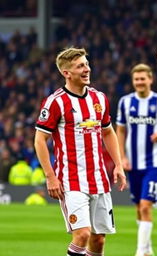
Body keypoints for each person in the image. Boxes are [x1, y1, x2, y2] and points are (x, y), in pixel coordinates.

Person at [34, 47, 126, 256]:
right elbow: (40, 140)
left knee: (98, 239)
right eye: (80, 66)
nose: (87, 69)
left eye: (86, 64)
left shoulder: (99, 98)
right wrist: (50, 176)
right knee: (82, 235)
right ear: (67, 73)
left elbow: (108, 133)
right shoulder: (55, 101)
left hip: (99, 179)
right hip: (71, 179)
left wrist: (118, 165)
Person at [116, 63, 157, 256]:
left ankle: (139, 251)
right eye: (136, 79)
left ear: (150, 79)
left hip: (154, 163)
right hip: (133, 164)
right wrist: (122, 157)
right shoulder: (125, 102)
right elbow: (120, 130)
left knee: (146, 205)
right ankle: (148, 249)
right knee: (138, 206)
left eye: (143, 78)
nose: (139, 82)